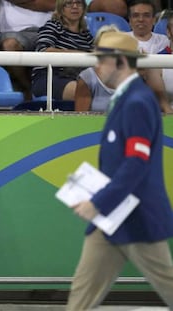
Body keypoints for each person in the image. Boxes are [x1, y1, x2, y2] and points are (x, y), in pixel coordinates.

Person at [66, 31, 173, 310]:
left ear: (121, 61)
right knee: (81, 293)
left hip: (136, 217)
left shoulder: (137, 102)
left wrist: (97, 202)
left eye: (102, 59)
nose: (96, 66)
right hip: (111, 215)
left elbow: (136, 164)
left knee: (168, 284)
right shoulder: (128, 99)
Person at [31, 0, 94, 101]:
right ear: (61, 8)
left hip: (77, 77)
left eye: (79, 3)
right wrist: (78, 55)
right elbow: (43, 50)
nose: (75, 6)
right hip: (49, 76)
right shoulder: (52, 26)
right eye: (69, 3)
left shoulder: (86, 36)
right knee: (80, 91)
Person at [0, 0, 55, 100]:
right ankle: (28, 88)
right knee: (10, 45)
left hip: (49, 30)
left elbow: (54, 4)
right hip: (14, 31)